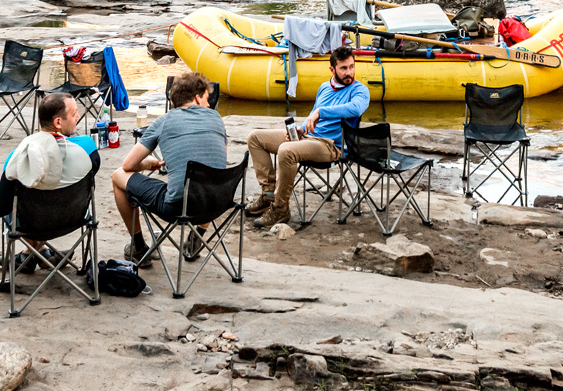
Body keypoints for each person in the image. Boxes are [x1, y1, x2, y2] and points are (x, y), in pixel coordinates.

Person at [246, 45, 369, 230]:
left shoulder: (359, 90)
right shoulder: (324, 88)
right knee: (255, 138)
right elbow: (312, 116)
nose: (349, 72)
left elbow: (356, 108)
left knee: (286, 151)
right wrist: (301, 129)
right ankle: (268, 194)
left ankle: (280, 209)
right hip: (307, 139)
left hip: (331, 146)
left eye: (352, 66)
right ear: (332, 69)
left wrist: (321, 112)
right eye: (344, 68)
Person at [111, 72, 228, 265]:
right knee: (208, 178)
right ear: (198, 98)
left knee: (118, 176)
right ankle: (196, 239)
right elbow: (220, 165)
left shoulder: (164, 121)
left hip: (177, 208)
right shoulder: (216, 118)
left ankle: (138, 247)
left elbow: (128, 166)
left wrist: (148, 163)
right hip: (216, 204)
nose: (208, 105)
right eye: (207, 99)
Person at [0, 93, 100, 273]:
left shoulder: (18, 158)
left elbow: (0, 209)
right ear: (58, 122)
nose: (78, 117)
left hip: (31, 224)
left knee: (15, 207)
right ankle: (40, 253)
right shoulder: (87, 148)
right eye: (74, 114)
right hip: (73, 217)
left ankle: (31, 253)